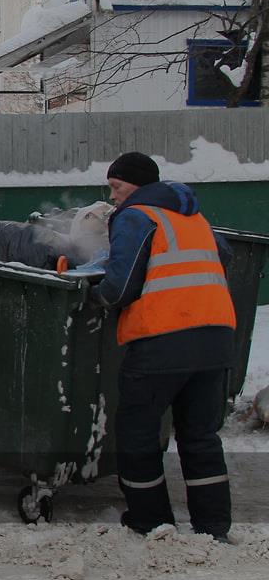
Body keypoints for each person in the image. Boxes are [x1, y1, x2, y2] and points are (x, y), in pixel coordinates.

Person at [95, 152, 236, 543]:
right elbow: (223, 255)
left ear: (137, 185)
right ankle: (213, 526)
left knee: (138, 434)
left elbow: (120, 287)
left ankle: (150, 521)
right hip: (216, 338)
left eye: (116, 187)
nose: (113, 197)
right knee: (200, 436)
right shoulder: (193, 216)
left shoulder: (136, 216)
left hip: (162, 340)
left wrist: (98, 296)